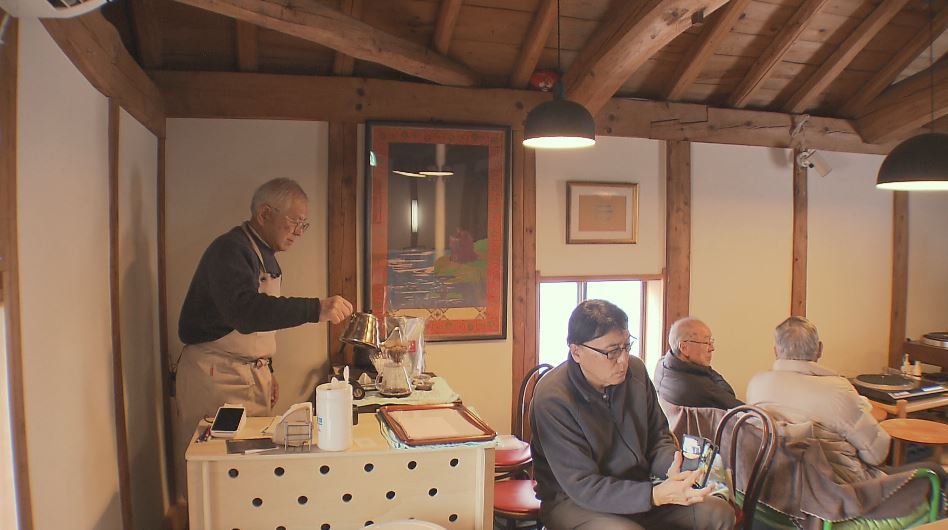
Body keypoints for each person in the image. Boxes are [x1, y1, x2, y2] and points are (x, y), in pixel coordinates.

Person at [173, 177, 353, 497]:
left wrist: (266, 369)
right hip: (216, 375)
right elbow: (245, 313)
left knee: (248, 473)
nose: (299, 231)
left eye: (304, 224)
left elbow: (260, 320)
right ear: (265, 214)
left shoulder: (261, 253)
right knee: (216, 474)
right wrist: (317, 309)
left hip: (247, 373)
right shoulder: (230, 249)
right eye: (294, 221)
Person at [530, 300, 736, 530]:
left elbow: (658, 438)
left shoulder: (635, 372)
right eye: (611, 352)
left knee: (718, 513)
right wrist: (654, 495)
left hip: (640, 487)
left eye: (626, 346)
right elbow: (583, 485)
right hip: (574, 502)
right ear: (576, 351)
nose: (623, 360)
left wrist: (673, 467)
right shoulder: (553, 397)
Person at [746, 316, 889, 482]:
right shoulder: (838, 391)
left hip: (778, 484)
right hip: (840, 490)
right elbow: (877, 454)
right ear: (820, 349)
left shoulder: (756, 384)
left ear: (776, 352)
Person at [653, 317, 742, 409]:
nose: (712, 348)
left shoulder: (662, 364)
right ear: (684, 347)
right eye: (706, 342)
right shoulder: (700, 389)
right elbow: (736, 405)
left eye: (711, 341)